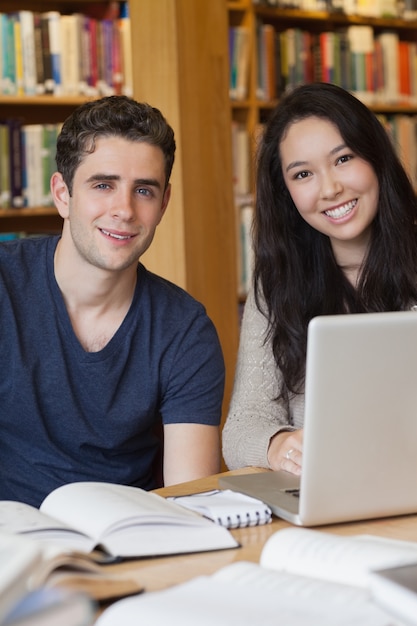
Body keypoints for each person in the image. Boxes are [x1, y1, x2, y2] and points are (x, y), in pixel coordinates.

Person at [0, 95, 225, 507]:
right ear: (63, 194)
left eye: (144, 190)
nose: (124, 210)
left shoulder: (185, 329)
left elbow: (193, 500)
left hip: (125, 542)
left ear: (164, 204)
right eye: (103, 185)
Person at [222, 82, 417, 476]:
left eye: (343, 159)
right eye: (303, 174)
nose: (329, 189)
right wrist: (278, 445)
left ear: (375, 155)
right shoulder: (277, 282)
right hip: (331, 499)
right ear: (286, 193)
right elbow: (242, 428)